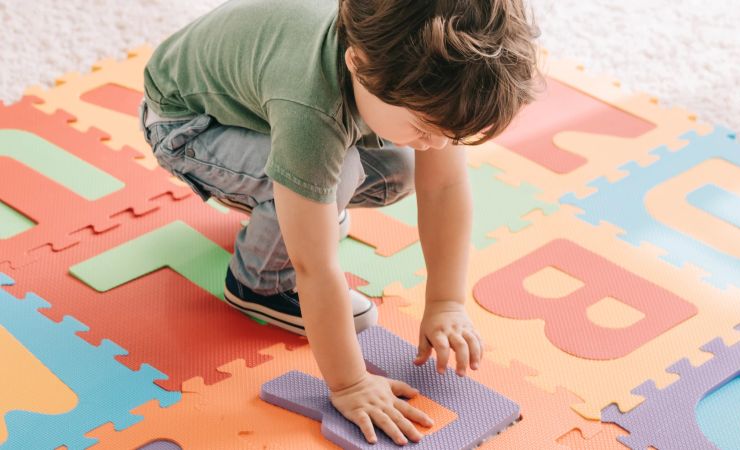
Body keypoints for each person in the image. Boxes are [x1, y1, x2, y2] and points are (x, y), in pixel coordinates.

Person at [139, 0, 539, 445]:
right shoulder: (312, 108)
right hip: (188, 127)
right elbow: (315, 265)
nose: (439, 144)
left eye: (451, 134)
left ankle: (300, 205)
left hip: (258, 105)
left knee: (405, 164)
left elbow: (443, 187)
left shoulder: (420, 71)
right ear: (355, 63)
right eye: (426, 126)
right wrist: (350, 384)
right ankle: (260, 281)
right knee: (339, 173)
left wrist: (446, 302)